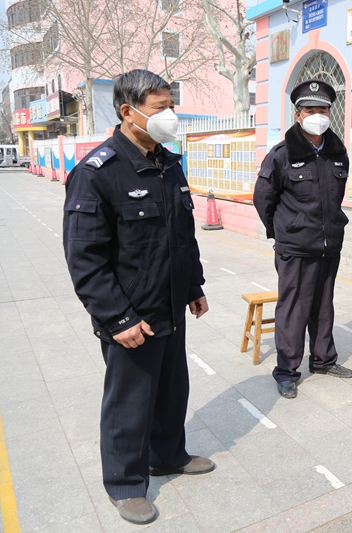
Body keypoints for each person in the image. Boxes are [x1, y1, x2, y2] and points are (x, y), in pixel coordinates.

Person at [62, 70, 215, 525]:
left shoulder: (168, 163)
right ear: (128, 112)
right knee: (129, 401)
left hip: (171, 303)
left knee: (171, 389)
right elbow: (84, 258)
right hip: (132, 315)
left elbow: (182, 236)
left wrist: (193, 286)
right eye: (160, 108)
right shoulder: (98, 173)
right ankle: (125, 484)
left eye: (172, 106)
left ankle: (168, 455)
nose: (170, 116)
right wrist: (117, 318)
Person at [253, 79, 352, 399]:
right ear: (298, 115)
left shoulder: (338, 153)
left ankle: (323, 360)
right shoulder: (281, 155)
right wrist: (284, 231)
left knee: (324, 307)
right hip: (295, 248)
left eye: (323, 109)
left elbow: (335, 198)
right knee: (293, 310)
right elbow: (263, 199)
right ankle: (286, 371)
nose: (317, 115)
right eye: (310, 110)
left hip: (329, 245)